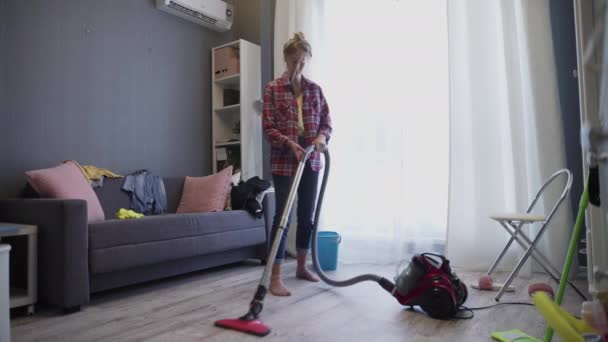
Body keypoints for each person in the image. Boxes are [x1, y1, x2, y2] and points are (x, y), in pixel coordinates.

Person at [262, 32, 333, 296]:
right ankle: (275, 277)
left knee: (307, 216)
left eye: (303, 62)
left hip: (312, 159)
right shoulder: (273, 89)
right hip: (285, 160)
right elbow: (268, 127)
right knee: (283, 217)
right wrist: (288, 143)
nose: (298, 67)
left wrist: (322, 137)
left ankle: (302, 267)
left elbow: (327, 122)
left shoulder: (315, 90)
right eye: (294, 61)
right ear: (286, 59)